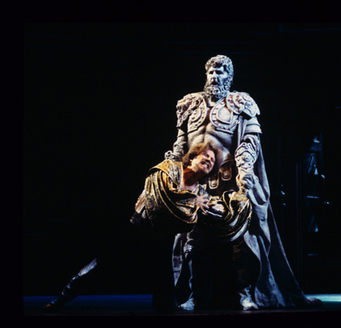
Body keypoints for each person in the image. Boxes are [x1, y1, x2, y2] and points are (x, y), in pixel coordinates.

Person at [165, 55, 322, 310]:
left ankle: (244, 293)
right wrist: (171, 169)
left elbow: (249, 141)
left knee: (241, 240)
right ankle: (195, 295)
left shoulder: (241, 103)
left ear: (230, 76)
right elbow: (180, 145)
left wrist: (246, 170)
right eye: (211, 72)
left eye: (221, 72)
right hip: (197, 186)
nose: (215, 76)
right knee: (194, 241)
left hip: (231, 184)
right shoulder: (189, 105)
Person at [43, 141, 252, 314]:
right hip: (136, 229)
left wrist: (235, 205)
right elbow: (159, 198)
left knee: (165, 296)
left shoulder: (202, 194)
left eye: (212, 161)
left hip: (161, 240)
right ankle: (62, 297)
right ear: (193, 157)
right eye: (205, 156)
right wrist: (190, 202)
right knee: (101, 266)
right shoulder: (169, 169)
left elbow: (202, 220)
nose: (208, 161)